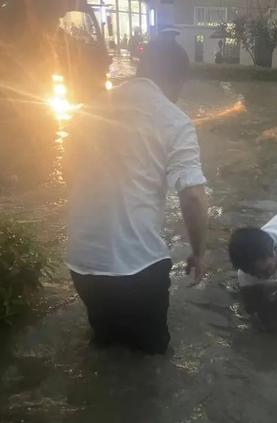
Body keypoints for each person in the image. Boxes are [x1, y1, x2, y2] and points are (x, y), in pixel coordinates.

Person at [65, 39, 208, 354]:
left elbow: (68, 174)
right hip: (137, 268)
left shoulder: (88, 108)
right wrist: (199, 253)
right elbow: (194, 198)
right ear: (178, 79)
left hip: (82, 263)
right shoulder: (174, 120)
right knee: (152, 358)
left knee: (105, 345)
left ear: (141, 68)